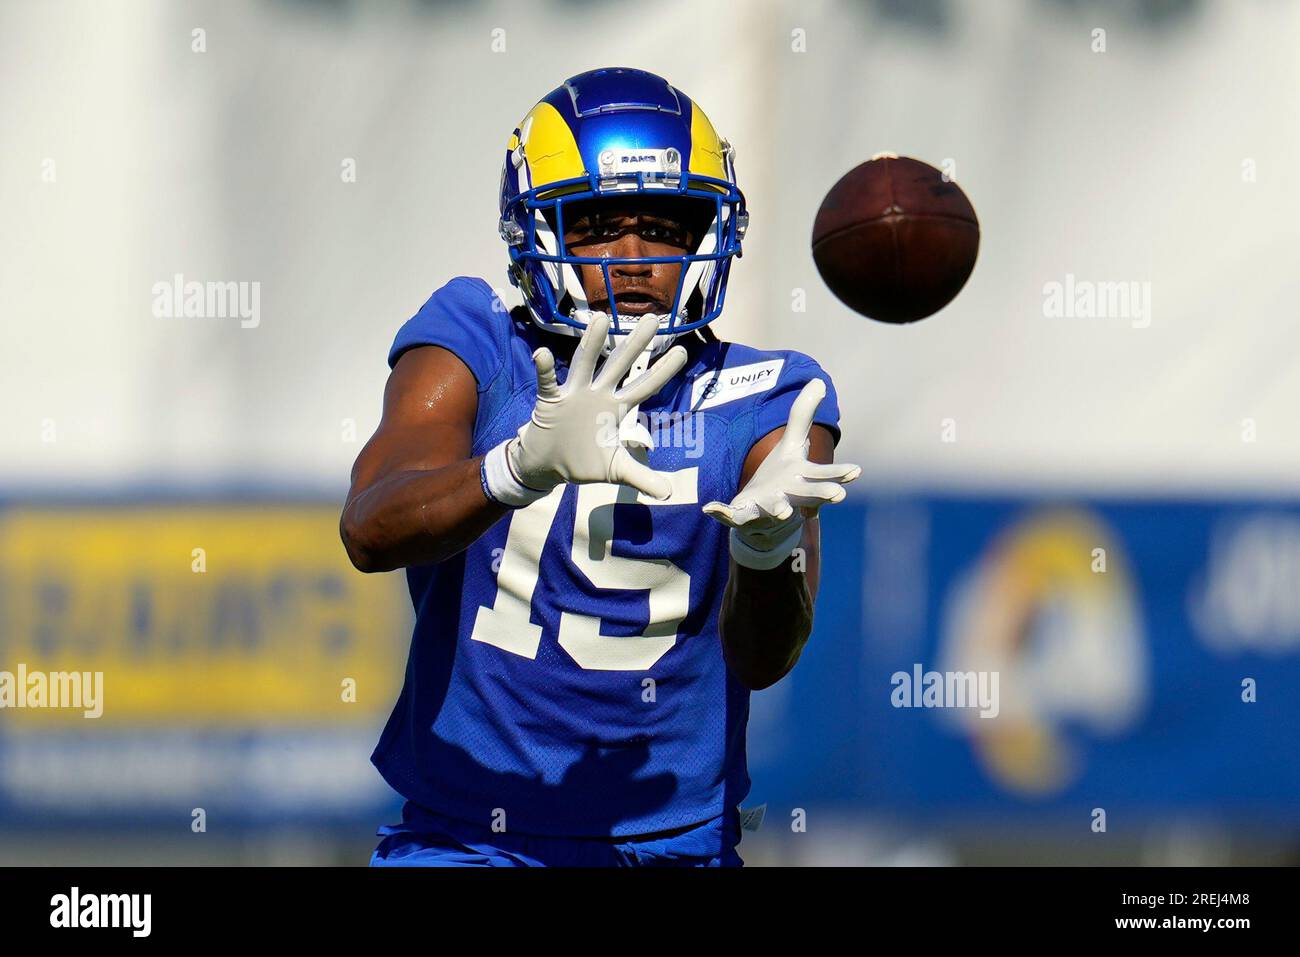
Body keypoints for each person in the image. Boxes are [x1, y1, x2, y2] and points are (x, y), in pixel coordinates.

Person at [341, 67, 861, 866]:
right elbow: (371, 527)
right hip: (466, 840)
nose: (633, 257)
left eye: (665, 224)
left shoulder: (770, 397)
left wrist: (767, 548)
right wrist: (513, 468)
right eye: (597, 224)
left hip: (674, 848)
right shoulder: (478, 344)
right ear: (536, 233)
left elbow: (765, 657)